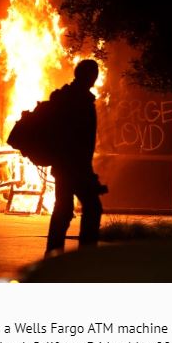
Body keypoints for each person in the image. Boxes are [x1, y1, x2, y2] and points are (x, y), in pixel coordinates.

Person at [45, 59, 104, 256]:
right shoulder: (80, 101)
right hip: (75, 166)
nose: (95, 78)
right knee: (92, 208)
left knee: (63, 209)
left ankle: (53, 254)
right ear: (89, 76)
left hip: (63, 166)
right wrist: (87, 172)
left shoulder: (65, 97)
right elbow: (80, 141)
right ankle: (85, 256)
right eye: (93, 74)